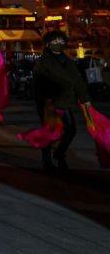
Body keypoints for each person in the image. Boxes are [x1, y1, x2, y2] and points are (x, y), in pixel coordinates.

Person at [32, 30, 91, 172]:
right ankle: (46, 160)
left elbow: (78, 81)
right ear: (48, 44)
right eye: (55, 41)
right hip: (48, 103)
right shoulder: (42, 62)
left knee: (71, 130)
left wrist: (85, 99)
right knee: (48, 131)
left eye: (61, 41)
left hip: (65, 102)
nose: (58, 43)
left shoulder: (68, 62)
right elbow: (38, 84)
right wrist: (47, 99)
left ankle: (59, 153)